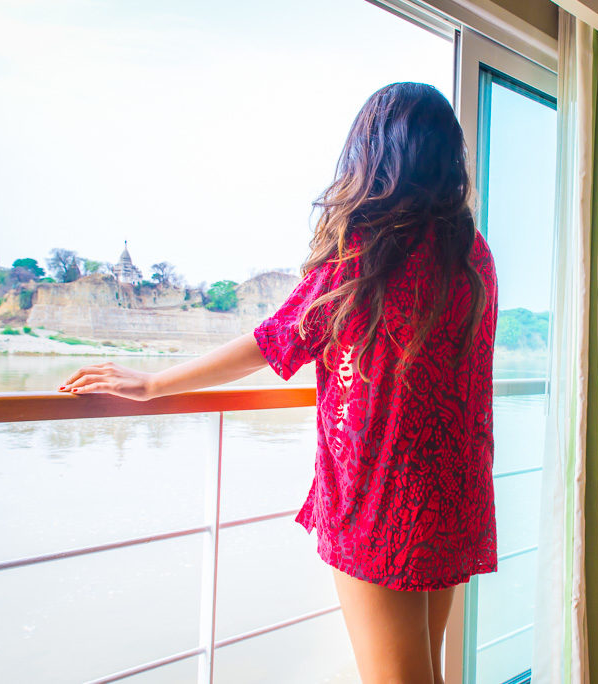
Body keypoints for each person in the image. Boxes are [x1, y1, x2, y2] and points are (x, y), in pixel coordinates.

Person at [58, 81, 499, 684]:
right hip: (453, 492)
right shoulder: (472, 255)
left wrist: (155, 383)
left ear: (372, 153)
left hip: (384, 499)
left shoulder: (372, 249)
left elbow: (273, 341)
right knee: (427, 672)